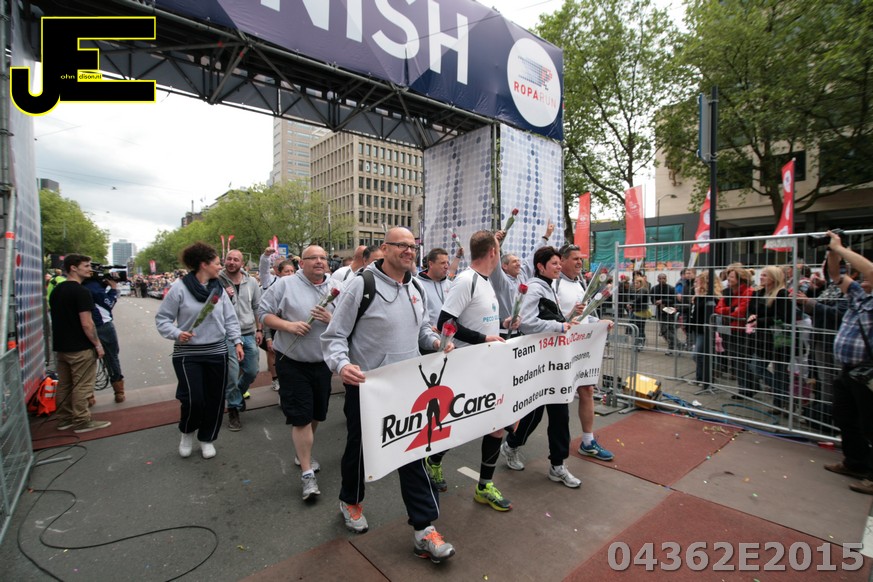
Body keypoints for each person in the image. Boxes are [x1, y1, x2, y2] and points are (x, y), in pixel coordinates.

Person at [322, 227, 456, 563]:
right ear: (384, 248)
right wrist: (342, 365)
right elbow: (334, 336)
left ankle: (424, 529)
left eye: (413, 246)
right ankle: (350, 500)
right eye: (402, 246)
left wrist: (435, 342)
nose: (409, 251)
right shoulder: (362, 285)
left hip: (407, 388)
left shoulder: (416, 287)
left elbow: (422, 329)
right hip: (367, 389)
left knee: (413, 453)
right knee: (360, 450)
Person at [429, 230, 520, 512]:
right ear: (493, 252)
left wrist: (504, 325)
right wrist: (482, 339)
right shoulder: (466, 280)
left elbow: (482, 321)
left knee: (496, 424)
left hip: (488, 367)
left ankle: (484, 486)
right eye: (499, 250)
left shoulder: (485, 281)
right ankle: (433, 461)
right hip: (465, 367)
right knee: (458, 424)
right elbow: (445, 322)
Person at [500, 246, 583, 488]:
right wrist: (559, 326)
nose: (559, 267)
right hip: (538, 363)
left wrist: (568, 319)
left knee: (560, 414)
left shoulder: (548, 287)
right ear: (540, 266)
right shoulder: (535, 287)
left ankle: (558, 465)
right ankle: (512, 445)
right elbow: (526, 323)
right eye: (554, 263)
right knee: (534, 413)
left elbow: (550, 318)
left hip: (554, 363)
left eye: (559, 263)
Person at [259, 246, 336, 501]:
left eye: (323, 258)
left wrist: (331, 318)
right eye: (313, 258)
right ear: (301, 263)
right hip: (291, 361)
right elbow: (263, 314)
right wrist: (288, 326)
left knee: (316, 414)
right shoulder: (285, 284)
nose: (319, 261)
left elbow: (348, 320)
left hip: (323, 362)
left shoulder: (336, 287)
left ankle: (302, 452)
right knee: (301, 417)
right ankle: (307, 473)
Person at [156, 242, 243, 459]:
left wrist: (237, 342)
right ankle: (187, 432)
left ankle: (207, 438)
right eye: (217, 263)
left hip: (217, 351)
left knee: (215, 399)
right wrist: (177, 333)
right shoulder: (179, 288)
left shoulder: (218, 289)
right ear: (204, 264)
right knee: (194, 399)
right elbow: (163, 319)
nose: (220, 266)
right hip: (188, 354)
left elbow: (230, 319)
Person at [549, 243, 615, 462]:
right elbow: (554, 318)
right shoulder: (554, 284)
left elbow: (585, 315)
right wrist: (569, 316)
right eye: (575, 258)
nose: (580, 262)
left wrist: (599, 322)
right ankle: (515, 442)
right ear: (563, 260)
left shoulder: (581, 283)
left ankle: (588, 441)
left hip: (582, 349)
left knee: (587, 389)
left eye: (581, 258)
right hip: (561, 350)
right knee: (555, 403)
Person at [821, 232, 873, 494]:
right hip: (849, 371)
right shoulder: (859, 297)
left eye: (866, 278)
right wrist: (832, 253)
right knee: (845, 417)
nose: (862, 280)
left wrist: (840, 247)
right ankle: (855, 462)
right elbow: (835, 275)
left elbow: (871, 270)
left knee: (871, 424)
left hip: (868, 373)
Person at [49, 254, 112, 434]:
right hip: (80, 347)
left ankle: (64, 418)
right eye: (86, 266)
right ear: (73, 268)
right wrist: (97, 344)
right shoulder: (81, 292)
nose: (90, 269)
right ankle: (81, 420)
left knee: (65, 384)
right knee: (82, 385)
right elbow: (87, 323)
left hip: (62, 346)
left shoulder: (57, 290)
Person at [219, 249, 262, 430]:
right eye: (229, 259)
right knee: (231, 374)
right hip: (227, 334)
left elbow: (257, 307)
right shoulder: (217, 281)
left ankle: (237, 394)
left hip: (248, 332)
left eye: (236, 260)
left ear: (242, 263)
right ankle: (234, 408)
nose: (232, 262)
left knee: (252, 371)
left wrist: (259, 329)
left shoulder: (251, 282)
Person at [746, 266, 794, 411]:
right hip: (762, 339)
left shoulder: (782, 294)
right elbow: (751, 309)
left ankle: (780, 403)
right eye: (761, 275)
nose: (761, 277)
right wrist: (752, 316)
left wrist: (759, 321)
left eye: (765, 275)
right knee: (756, 366)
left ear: (774, 278)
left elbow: (782, 317)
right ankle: (784, 396)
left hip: (779, 338)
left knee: (780, 371)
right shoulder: (758, 293)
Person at [82, 273, 126, 403]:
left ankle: (88, 396)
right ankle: (119, 392)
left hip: (84, 327)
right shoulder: (94, 288)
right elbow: (109, 303)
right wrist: (113, 288)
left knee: (87, 361)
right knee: (112, 358)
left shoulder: (80, 286)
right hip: (102, 326)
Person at [258, 248, 296, 391]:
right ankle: (276, 379)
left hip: (289, 323)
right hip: (272, 322)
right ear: (279, 272)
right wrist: (266, 255)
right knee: (272, 351)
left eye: (292, 271)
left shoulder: (296, 284)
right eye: (286, 271)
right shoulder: (270, 282)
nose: (290, 274)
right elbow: (263, 270)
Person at [715, 265, 754, 397]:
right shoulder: (727, 292)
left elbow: (741, 312)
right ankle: (746, 388)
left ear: (740, 279)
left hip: (741, 330)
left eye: (731, 277)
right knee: (736, 360)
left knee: (741, 360)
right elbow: (718, 309)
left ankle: (747, 389)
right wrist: (732, 310)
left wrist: (729, 312)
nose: (728, 279)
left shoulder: (748, 291)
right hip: (729, 328)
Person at [417, 246, 462, 336]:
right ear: (431, 264)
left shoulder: (450, 284)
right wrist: (427, 328)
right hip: (428, 339)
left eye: (447, 263)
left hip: (450, 339)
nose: (446, 266)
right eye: (442, 263)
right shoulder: (417, 285)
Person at [651, 273, 677, 353]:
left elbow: (673, 299)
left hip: (669, 309)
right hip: (660, 310)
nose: (662, 280)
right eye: (660, 278)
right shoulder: (654, 288)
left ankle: (672, 347)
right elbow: (652, 299)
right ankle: (678, 344)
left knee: (671, 329)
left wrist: (663, 301)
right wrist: (656, 302)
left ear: (666, 279)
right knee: (663, 330)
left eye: (664, 278)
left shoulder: (671, 288)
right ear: (657, 279)